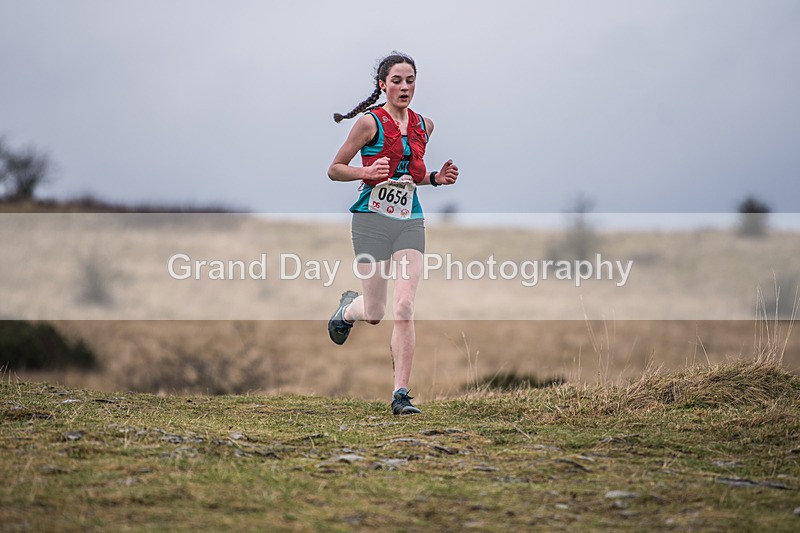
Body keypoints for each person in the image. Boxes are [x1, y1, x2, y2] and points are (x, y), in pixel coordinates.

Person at [327, 52, 459, 415]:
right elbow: (335, 169)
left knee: (404, 306)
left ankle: (400, 395)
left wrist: (435, 178)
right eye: (397, 81)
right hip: (370, 220)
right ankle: (346, 309)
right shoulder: (369, 124)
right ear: (383, 85)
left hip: (409, 221)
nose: (404, 87)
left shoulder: (424, 125)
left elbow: (413, 174)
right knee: (374, 311)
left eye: (410, 80)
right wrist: (364, 174)